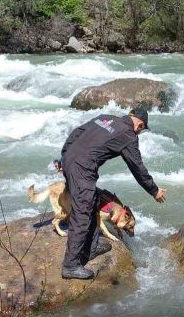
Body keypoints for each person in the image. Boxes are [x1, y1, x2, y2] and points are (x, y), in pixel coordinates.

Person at [59, 108, 167, 280]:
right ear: (140, 124)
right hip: (82, 169)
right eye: (141, 129)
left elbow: (77, 132)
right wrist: (154, 190)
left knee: (93, 201)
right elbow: (137, 167)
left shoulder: (106, 118)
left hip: (70, 159)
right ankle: (71, 265)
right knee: (82, 213)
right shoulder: (128, 135)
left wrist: (64, 157)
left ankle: (91, 247)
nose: (139, 133)